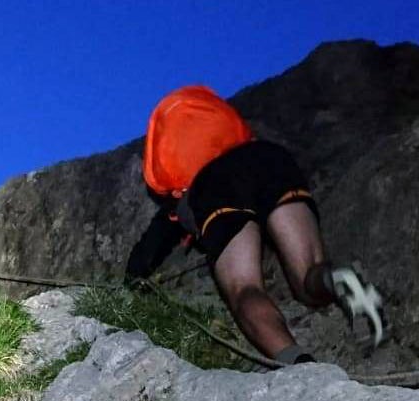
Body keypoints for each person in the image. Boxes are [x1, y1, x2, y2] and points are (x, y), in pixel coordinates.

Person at [126, 86, 383, 365]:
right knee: (307, 276)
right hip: (270, 160)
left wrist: (133, 282)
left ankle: (298, 364)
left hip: (217, 189)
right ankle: (334, 278)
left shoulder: (184, 192)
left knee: (244, 288)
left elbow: (147, 252)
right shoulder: (248, 145)